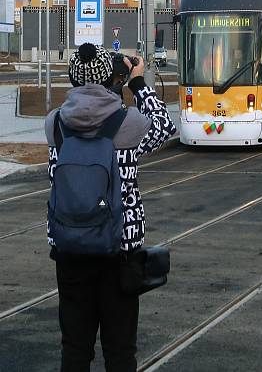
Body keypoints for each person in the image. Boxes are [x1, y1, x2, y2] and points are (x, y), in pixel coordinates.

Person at [45, 43, 176, 370]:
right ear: (109, 77)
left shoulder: (55, 125)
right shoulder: (128, 124)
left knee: (75, 348)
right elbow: (163, 126)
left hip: (70, 251)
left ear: (73, 79)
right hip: (120, 254)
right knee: (119, 351)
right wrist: (138, 83)